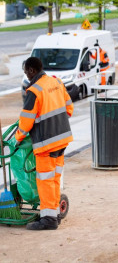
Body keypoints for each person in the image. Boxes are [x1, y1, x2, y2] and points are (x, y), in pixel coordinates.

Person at [15, 57, 74, 230]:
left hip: (46, 144)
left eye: (26, 71)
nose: (26, 75)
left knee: (45, 181)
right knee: (55, 179)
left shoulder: (34, 91)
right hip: (62, 139)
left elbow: (26, 122)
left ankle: (48, 220)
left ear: (32, 70)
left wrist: (18, 138)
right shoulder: (56, 83)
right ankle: (54, 213)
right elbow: (69, 109)